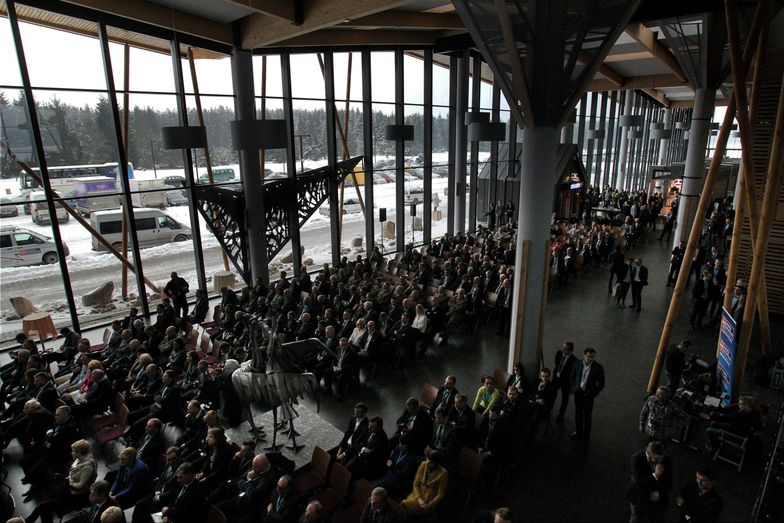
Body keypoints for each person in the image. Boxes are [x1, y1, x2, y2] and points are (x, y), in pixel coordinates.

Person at [627, 441, 672, 523]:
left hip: (657, 498)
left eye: (661, 458)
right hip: (639, 496)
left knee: (656, 518)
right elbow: (638, 483)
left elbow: (669, 482)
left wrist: (657, 492)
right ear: (648, 454)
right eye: (657, 459)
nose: (660, 461)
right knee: (636, 517)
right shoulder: (636, 459)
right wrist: (655, 475)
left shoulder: (666, 459)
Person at [570, 348, 605, 447]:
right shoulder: (578, 363)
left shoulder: (598, 367)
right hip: (578, 393)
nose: (590, 359)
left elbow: (601, 384)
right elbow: (572, 376)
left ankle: (586, 438)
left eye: (592, 357)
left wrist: (593, 393)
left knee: (587, 416)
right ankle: (578, 432)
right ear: (584, 355)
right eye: (588, 356)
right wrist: (574, 388)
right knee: (578, 413)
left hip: (588, 395)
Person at [401, 452, 448, 518]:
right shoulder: (423, 464)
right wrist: (419, 498)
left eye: (431, 462)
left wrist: (429, 505)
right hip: (417, 494)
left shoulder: (443, 473)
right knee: (405, 508)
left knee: (404, 504)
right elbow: (416, 484)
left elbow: (440, 494)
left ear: (436, 464)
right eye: (427, 459)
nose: (428, 462)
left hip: (428, 501)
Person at [554, 342, 577, 423]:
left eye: (565, 348)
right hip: (556, 379)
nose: (562, 349)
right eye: (562, 347)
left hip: (566, 382)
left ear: (571, 351)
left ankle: (561, 413)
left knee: (565, 398)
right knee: (552, 393)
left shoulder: (574, 361)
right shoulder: (559, 353)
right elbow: (556, 365)